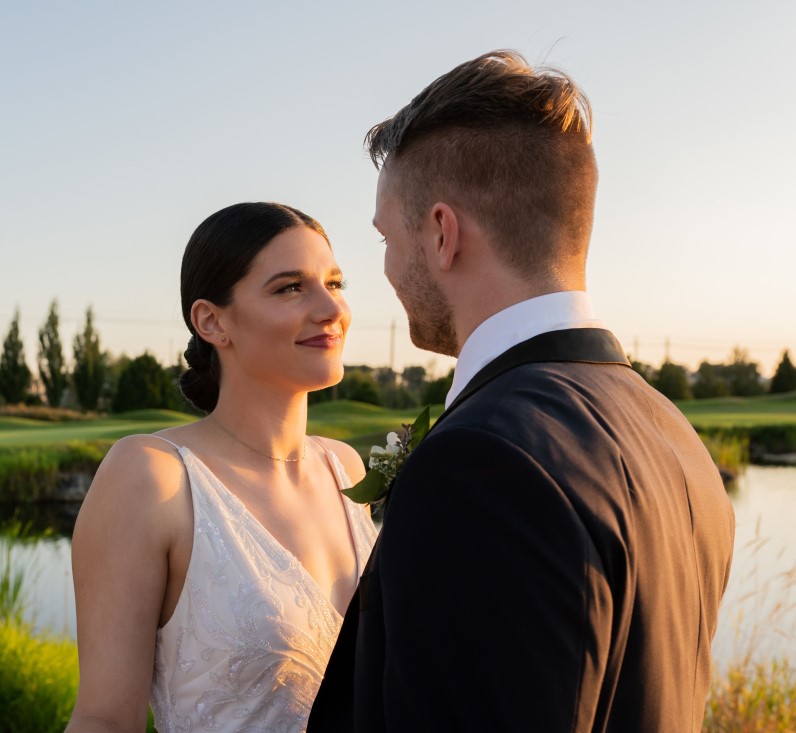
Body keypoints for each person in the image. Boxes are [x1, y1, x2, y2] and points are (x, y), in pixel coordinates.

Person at [308, 50, 736, 732]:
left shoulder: (478, 466)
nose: (385, 267)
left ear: (442, 234)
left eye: (387, 237)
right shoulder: (673, 433)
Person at [67, 202, 378, 733]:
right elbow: (104, 719)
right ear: (212, 321)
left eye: (334, 283)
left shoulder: (345, 468)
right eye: (290, 288)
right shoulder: (151, 476)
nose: (331, 308)